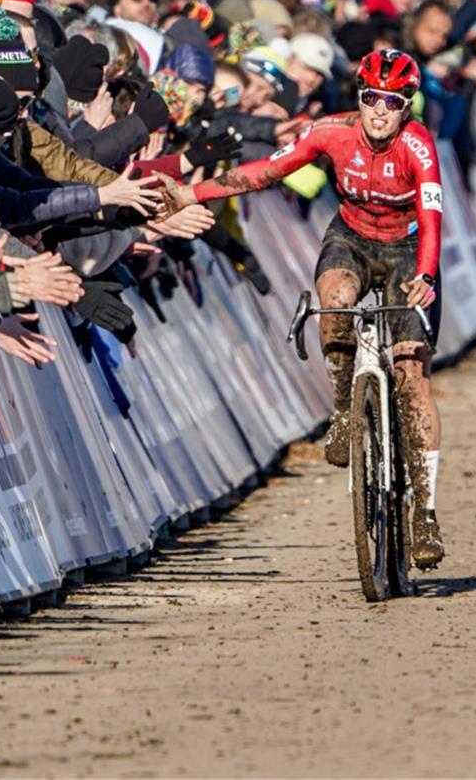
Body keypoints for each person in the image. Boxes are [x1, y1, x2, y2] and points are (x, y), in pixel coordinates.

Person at [189, 48, 445, 569]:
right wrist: (193, 193)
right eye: (371, 98)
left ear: (407, 107)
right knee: (336, 301)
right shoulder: (331, 131)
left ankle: (425, 512)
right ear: (358, 98)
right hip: (351, 238)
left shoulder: (418, 146)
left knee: (413, 376)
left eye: (393, 102)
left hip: (407, 249)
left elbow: (432, 217)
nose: (380, 111)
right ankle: (346, 409)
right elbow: (267, 171)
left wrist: (424, 275)